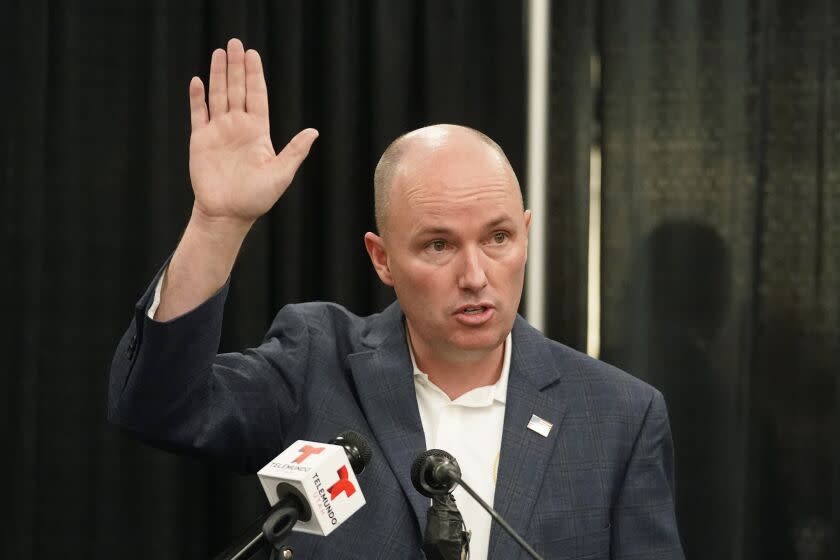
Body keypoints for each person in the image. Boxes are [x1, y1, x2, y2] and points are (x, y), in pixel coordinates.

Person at [108, 38, 684, 559]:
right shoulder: (315, 365)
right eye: (439, 245)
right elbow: (159, 408)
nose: (476, 274)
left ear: (526, 235)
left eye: (499, 238)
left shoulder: (619, 417)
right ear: (381, 258)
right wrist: (218, 223)